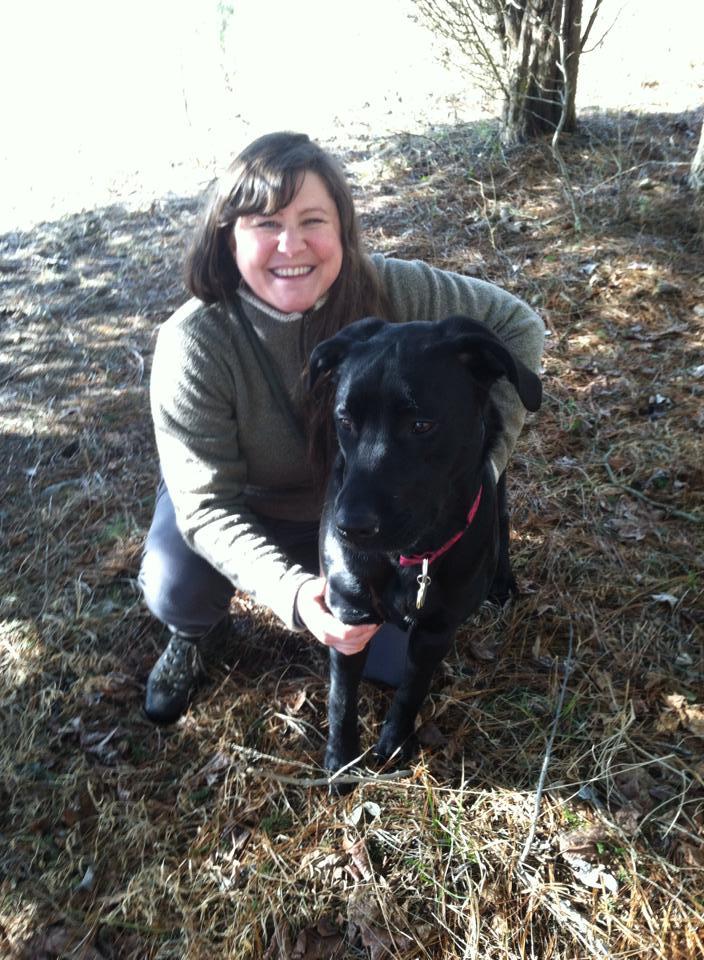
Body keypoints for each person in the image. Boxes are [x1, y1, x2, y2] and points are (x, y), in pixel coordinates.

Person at [139, 131, 545, 724]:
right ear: (227, 236)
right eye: (263, 223)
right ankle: (192, 636)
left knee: (388, 662)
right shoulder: (194, 342)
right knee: (177, 586)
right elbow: (205, 507)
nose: (291, 244)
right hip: (252, 507)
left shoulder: (394, 286)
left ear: (344, 228)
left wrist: (484, 458)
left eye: (312, 220)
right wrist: (294, 593)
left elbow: (518, 325)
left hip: (368, 509)